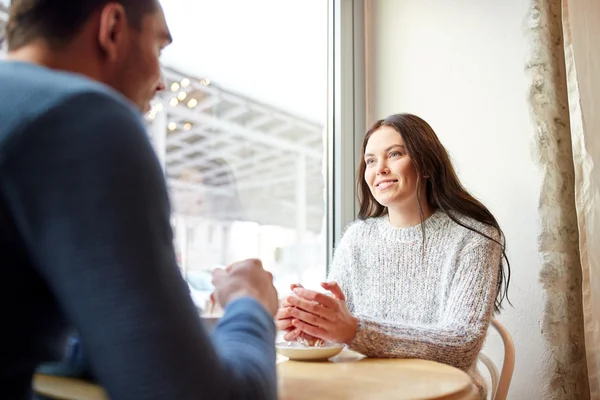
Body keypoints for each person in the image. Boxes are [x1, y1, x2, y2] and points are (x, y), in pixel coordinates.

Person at [0, 1, 278, 399]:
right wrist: (250, 303)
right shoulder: (81, 116)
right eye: (158, 48)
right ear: (112, 28)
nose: (161, 81)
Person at [276, 113, 511, 398]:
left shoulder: (474, 237)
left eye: (394, 154)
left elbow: (462, 346)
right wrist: (313, 323)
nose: (380, 169)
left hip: (444, 393)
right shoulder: (357, 238)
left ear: (425, 164)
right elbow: (342, 335)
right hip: (366, 387)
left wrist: (354, 330)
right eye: (371, 160)